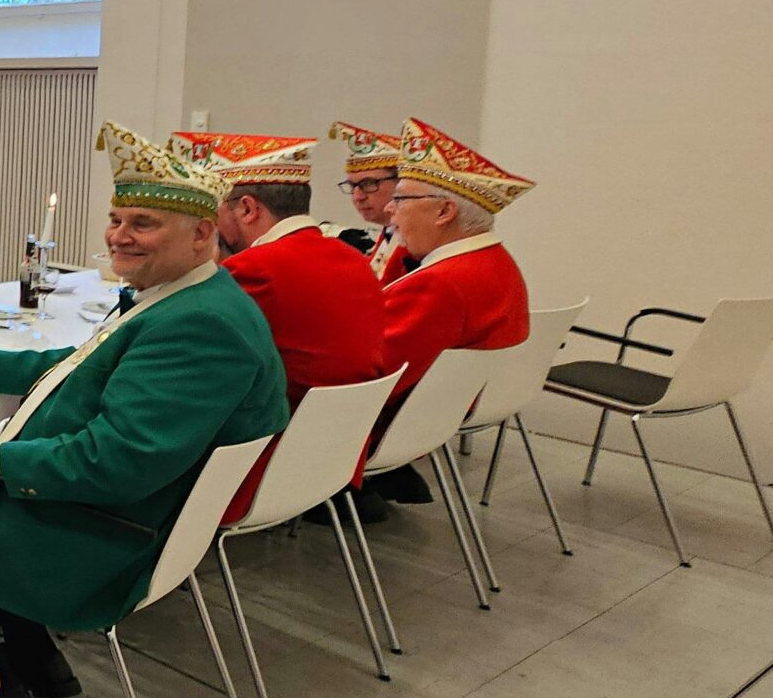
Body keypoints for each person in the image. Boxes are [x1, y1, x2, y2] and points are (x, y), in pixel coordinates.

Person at [0, 123, 288, 698]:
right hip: (111, 507)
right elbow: (88, 366)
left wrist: (4, 462)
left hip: (107, 533)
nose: (118, 236)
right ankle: (27, 652)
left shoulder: (200, 326)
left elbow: (122, 458)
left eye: (142, 223)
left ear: (202, 234)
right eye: (116, 219)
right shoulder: (186, 297)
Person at [173, 132, 391, 523]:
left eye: (213, 210)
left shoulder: (255, 269)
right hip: (333, 454)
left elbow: (181, 344)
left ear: (247, 208)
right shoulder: (352, 258)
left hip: (267, 461)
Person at [377, 118, 534, 422]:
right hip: (455, 407)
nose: (388, 208)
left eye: (400, 199)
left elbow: (373, 373)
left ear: (444, 212)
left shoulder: (441, 282)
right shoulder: (495, 259)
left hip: (407, 420)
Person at [329, 121, 412, 283]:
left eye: (368, 184)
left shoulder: (416, 243)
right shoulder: (387, 234)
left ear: (401, 182)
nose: (358, 196)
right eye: (352, 185)